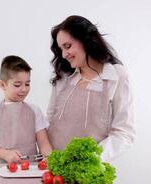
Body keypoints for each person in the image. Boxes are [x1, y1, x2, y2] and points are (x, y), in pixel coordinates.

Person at [47, 15, 136, 162]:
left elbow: (123, 133)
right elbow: (50, 118)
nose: (63, 54)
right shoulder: (63, 75)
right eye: (61, 49)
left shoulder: (116, 75)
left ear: (86, 40)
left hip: (88, 168)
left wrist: (92, 159)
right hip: (53, 165)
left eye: (67, 46)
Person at [0, 55, 52, 163]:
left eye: (27, 84)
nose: (24, 89)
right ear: (3, 85)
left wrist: (49, 157)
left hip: (30, 169)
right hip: (0, 170)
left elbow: (44, 144)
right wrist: (5, 154)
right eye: (17, 85)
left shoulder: (35, 111)